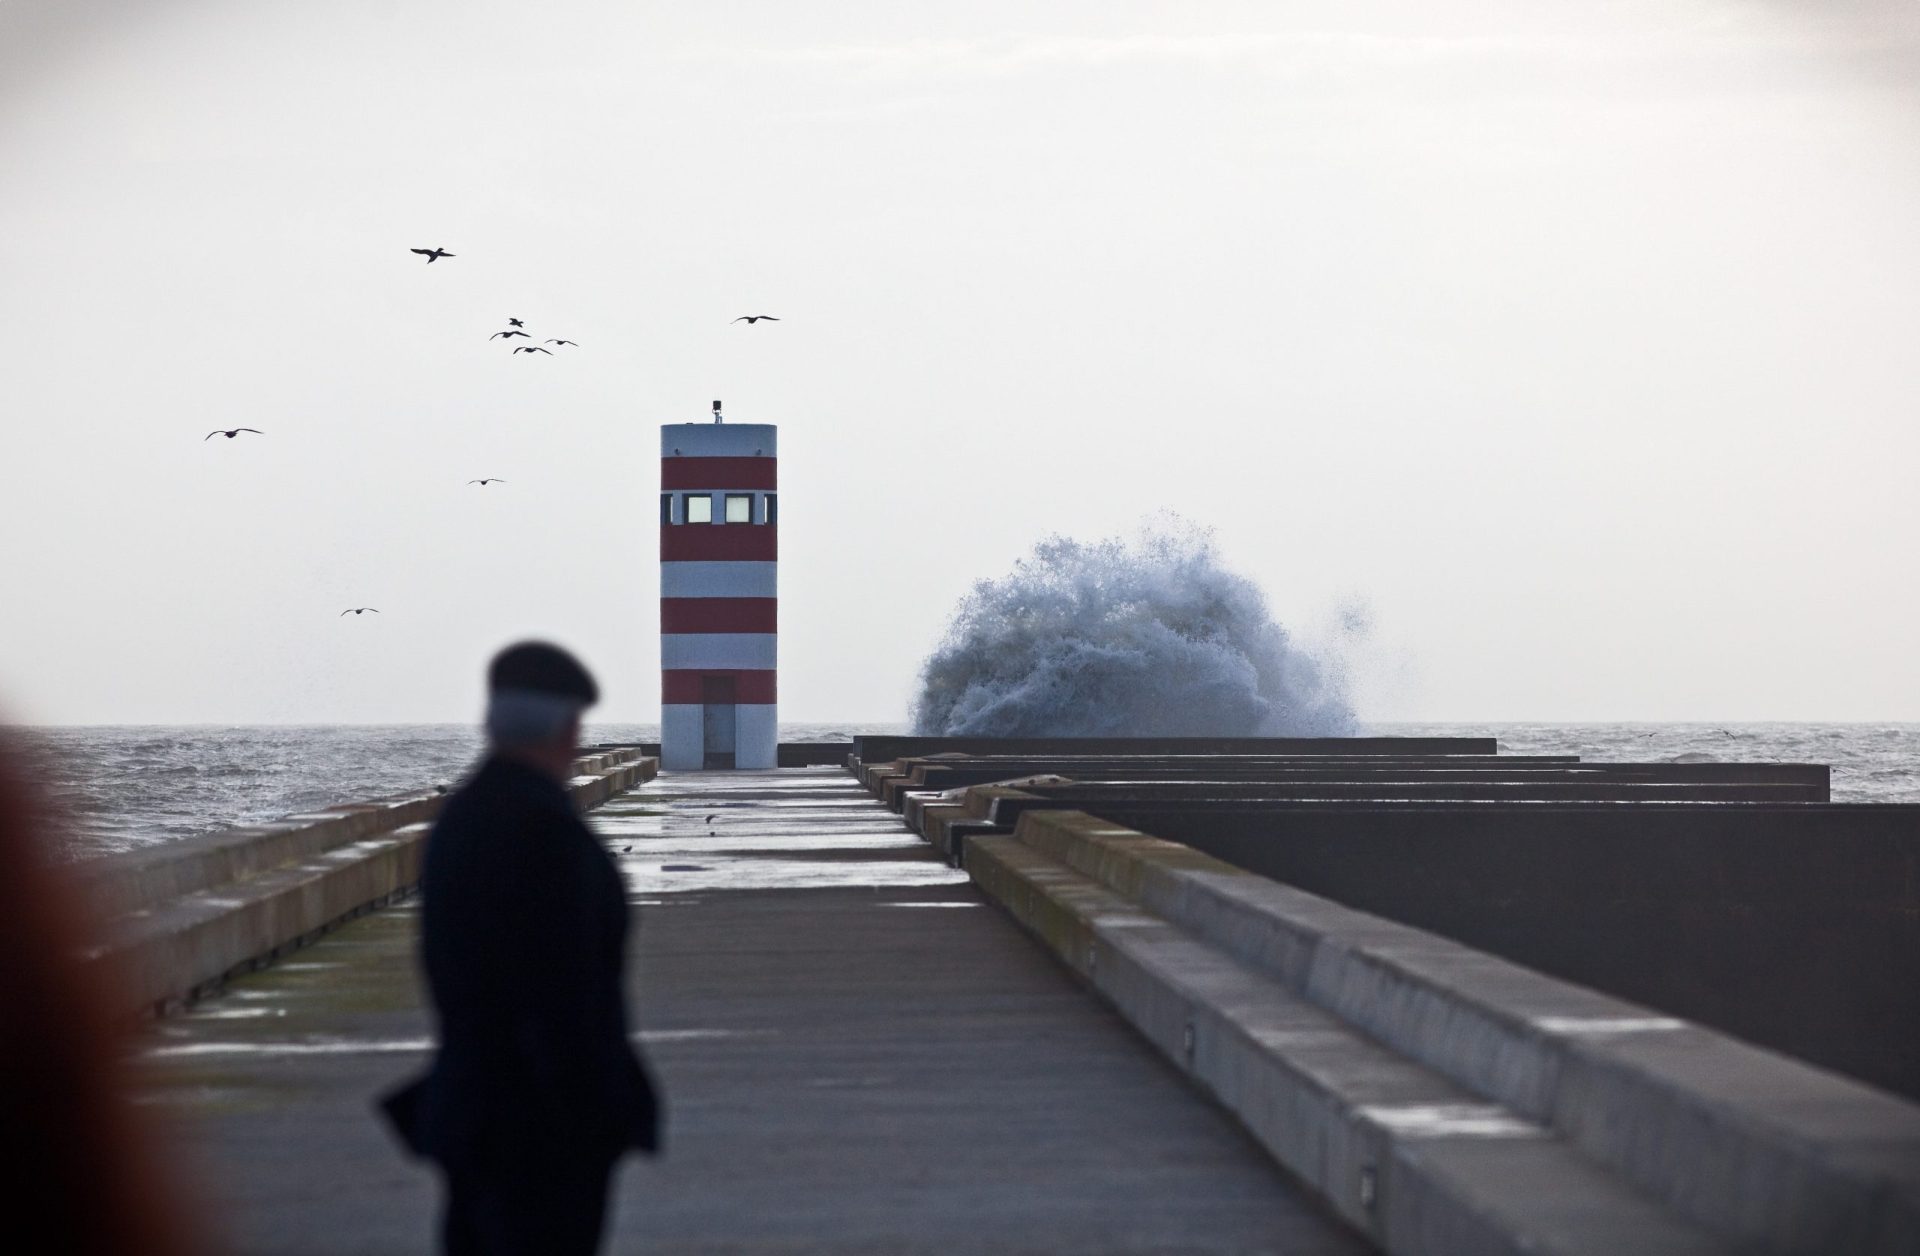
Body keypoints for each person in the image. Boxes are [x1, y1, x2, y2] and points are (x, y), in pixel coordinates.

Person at [381, 642, 660, 1256]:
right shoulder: (538, 831)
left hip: (479, 1108)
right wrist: (599, 1109)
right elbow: (561, 994)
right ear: (565, 728)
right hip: (537, 1125)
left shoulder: (464, 816)